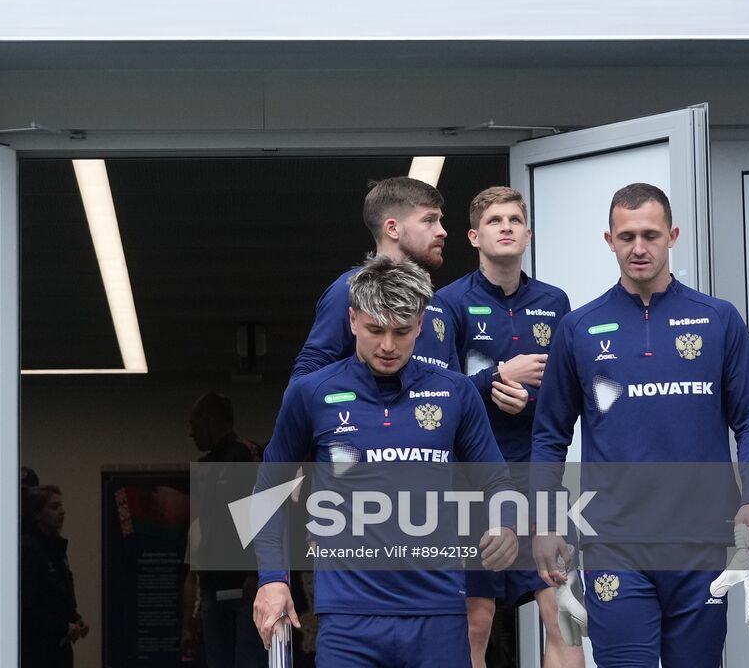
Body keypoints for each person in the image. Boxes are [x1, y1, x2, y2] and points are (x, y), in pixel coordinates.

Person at [531, 183, 749, 668]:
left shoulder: (718, 320)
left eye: (650, 235)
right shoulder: (579, 328)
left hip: (701, 541)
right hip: (613, 542)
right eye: (626, 237)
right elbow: (549, 435)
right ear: (609, 240)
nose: (638, 248)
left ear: (672, 236)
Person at [254, 255, 519, 668]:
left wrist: (506, 523)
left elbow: (497, 479)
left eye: (402, 330)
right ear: (352, 320)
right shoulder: (312, 393)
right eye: (375, 330)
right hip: (348, 621)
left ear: (420, 324)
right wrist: (272, 579)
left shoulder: (456, 392)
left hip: (439, 614)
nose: (388, 346)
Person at [433, 187, 580, 668]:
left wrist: (529, 400)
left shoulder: (555, 301)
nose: (506, 227)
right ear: (474, 236)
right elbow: (436, 397)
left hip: (539, 475)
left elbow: (566, 392)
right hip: (473, 479)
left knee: (564, 613)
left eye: (515, 220)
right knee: (476, 621)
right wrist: (497, 377)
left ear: (528, 234)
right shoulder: (448, 302)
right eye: (495, 221)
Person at [291, 177, 456, 380]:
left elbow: (454, 385)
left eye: (440, 221)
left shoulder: (437, 301)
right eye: (429, 220)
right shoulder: (350, 289)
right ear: (392, 229)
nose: (442, 231)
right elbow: (308, 374)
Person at [182, 393, 264, 668]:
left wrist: (254, 573)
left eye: (193, 424)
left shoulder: (246, 454)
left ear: (209, 420)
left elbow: (265, 513)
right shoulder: (205, 466)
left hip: (244, 587)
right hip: (211, 586)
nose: (191, 432)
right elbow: (202, 529)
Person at [21, 485, 89, 668]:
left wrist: (75, 618)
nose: (62, 511)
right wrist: (63, 626)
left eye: (61, 506)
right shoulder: (29, 550)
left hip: (61, 647)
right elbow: (28, 607)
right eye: (54, 507)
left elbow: (61, 593)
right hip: (37, 650)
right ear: (37, 514)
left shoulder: (57, 548)